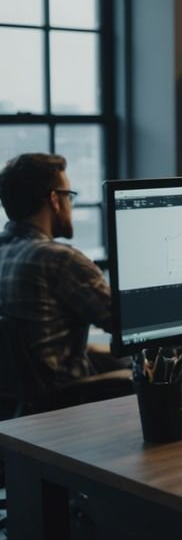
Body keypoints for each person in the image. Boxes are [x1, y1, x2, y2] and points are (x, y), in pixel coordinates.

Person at [0, 153, 122, 385]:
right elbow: (124, 325)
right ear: (55, 200)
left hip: (16, 411)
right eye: (69, 196)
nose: (70, 205)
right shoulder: (60, 260)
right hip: (70, 406)